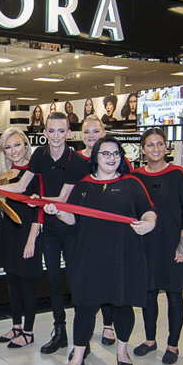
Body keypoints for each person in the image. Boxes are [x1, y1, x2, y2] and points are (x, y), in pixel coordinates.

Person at [44, 136, 156, 365]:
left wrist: (149, 223)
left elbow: (148, 211)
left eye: (115, 154)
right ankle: (77, 357)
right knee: (85, 308)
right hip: (89, 257)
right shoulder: (84, 185)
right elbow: (72, 217)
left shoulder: (132, 183)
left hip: (124, 256)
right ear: (95, 157)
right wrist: (56, 211)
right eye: (105, 153)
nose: (111, 158)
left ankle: (122, 352)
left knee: (123, 305)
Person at [0, 112, 84, 355]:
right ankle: (60, 332)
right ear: (44, 133)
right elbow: (22, 186)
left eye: (60, 131)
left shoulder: (76, 161)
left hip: (70, 226)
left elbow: (64, 199)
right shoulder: (40, 155)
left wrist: (40, 200)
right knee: (53, 281)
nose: (56, 136)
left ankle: (81, 339)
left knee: (76, 283)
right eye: (51, 131)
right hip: (51, 228)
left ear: (68, 133)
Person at [131, 128, 183, 365]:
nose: (155, 149)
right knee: (148, 294)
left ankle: (173, 345)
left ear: (166, 147)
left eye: (160, 144)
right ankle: (150, 341)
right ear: (143, 149)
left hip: (172, 244)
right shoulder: (135, 176)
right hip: (145, 244)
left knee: (174, 294)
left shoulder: (178, 174)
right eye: (150, 145)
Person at [77, 115, 132, 347]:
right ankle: (82, 345)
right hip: (84, 233)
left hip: (114, 236)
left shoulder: (120, 162)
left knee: (114, 287)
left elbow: (131, 194)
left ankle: (109, 326)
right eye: (86, 131)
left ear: (104, 132)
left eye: (95, 131)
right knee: (88, 291)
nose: (91, 136)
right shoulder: (76, 160)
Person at [0, 128, 42, 349]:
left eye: (17, 145)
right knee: (12, 281)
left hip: (27, 232)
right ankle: (16, 326)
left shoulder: (36, 171)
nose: (13, 151)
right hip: (8, 231)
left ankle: (29, 332)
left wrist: (31, 240)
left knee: (27, 283)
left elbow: (40, 210)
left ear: (26, 144)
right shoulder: (4, 173)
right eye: (8, 147)